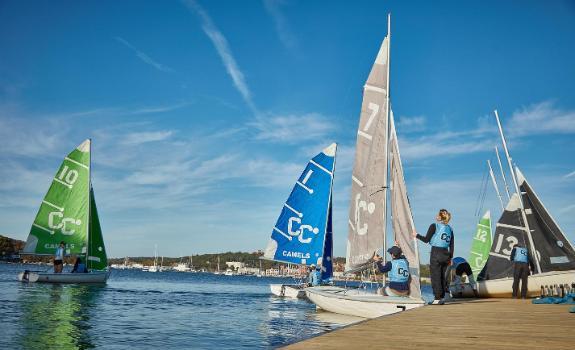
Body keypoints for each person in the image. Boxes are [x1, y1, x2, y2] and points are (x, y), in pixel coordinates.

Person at [413, 209, 454, 305]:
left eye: (437, 215)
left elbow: (426, 240)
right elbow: (452, 244)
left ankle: (437, 298)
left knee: (435, 276)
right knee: (442, 277)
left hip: (436, 252)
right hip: (446, 254)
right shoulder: (450, 229)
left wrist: (416, 235)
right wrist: (450, 257)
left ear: (440, 217)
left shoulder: (434, 225)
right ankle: (442, 297)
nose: (436, 216)